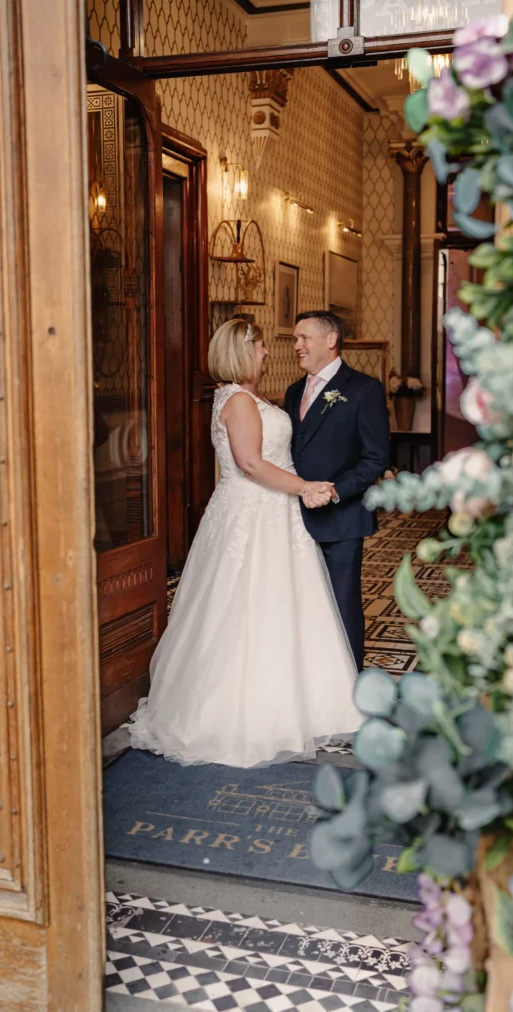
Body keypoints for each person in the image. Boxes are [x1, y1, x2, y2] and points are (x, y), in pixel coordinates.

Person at [128, 316, 363, 768]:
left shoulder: (248, 397)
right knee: (246, 608)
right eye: (259, 347)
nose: (267, 352)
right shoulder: (236, 400)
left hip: (274, 516)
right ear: (242, 350)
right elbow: (251, 464)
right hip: (252, 516)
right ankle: (244, 715)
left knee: (283, 610)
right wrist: (304, 487)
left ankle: (300, 706)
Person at [285, 312, 390, 672]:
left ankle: (348, 685)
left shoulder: (363, 389)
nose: (296, 345)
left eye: (304, 338)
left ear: (330, 340)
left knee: (341, 603)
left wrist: (333, 492)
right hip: (294, 515)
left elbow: (375, 458)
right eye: (295, 339)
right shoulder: (293, 391)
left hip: (341, 517)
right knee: (301, 604)